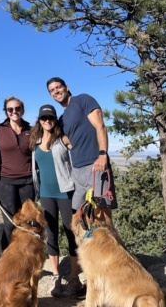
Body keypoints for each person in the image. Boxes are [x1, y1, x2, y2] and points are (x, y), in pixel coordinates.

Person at [46, 77, 117, 229]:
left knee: (102, 214)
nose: (55, 91)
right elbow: (67, 141)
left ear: (66, 87)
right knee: (79, 215)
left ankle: (112, 250)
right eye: (51, 90)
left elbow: (101, 127)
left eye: (58, 87)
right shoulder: (62, 119)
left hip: (95, 163)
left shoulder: (83, 100)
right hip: (77, 170)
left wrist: (103, 154)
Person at [29, 104, 82, 298]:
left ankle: (74, 277)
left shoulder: (63, 139)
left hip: (66, 192)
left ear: (55, 119)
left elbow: (77, 157)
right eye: (44, 118)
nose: (47, 121)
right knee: (51, 234)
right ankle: (56, 275)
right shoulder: (35, 142)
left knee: (71, 233)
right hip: (45, 194)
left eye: (50, 117)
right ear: (39, 121)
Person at [0, 96, 35, 250]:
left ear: (23, 110)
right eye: (10, 109)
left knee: (27, 221)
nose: (14, 111)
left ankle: (25, 256)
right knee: (9, 222)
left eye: (17, 108)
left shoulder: (31, 130)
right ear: (6, 112)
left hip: (28, 182)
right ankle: (6, 258)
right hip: (6, 182)